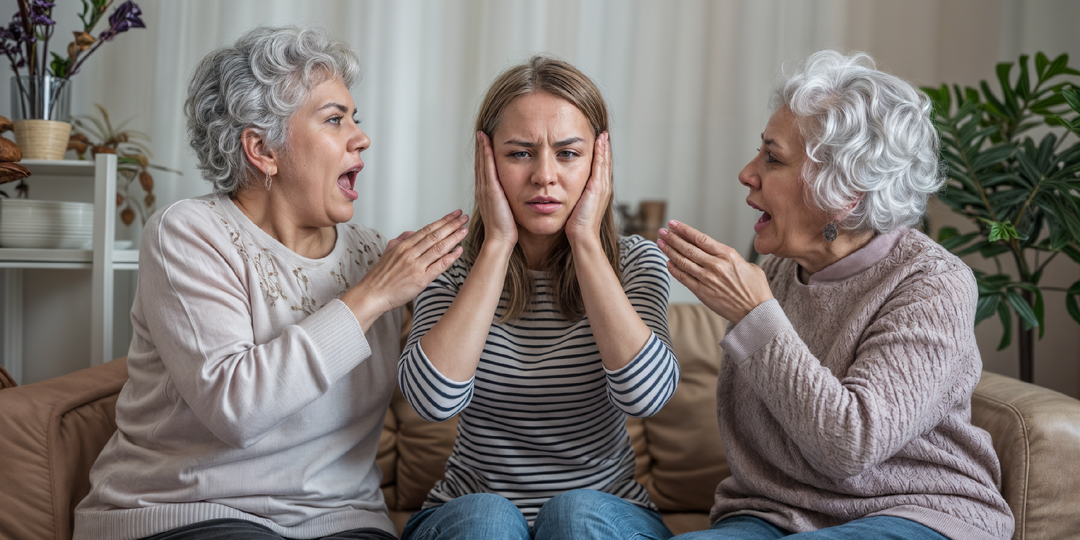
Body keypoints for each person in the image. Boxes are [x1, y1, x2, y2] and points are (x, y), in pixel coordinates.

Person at [73, 26, 469, 540]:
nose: (361, 137)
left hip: (344, 521)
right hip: (194, 511)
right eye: (334, 120)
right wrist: (372, 295)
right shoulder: (189, 234)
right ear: (262, 149)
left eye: (355, 119)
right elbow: (236, 409)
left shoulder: (374, 253)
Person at [657, 50, 1015, 540]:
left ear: (844, 193)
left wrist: (753, 314)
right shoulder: (780, 271)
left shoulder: (933, 284)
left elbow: (850, 444)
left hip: (912, 512)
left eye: (772, 158)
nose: (747, 173)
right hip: (777, 514)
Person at [396, 56, 680, 540]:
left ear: (599, 161)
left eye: (569, 153)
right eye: (520, 153)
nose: (544, 176)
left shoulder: (636, 263)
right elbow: (431, 402)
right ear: (486, 161)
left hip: (604, 517)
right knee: (488, 519)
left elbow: (646, 396)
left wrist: (587, 239)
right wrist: (497, 244)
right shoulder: (448, 267)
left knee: (574, 515)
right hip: (466, 516)